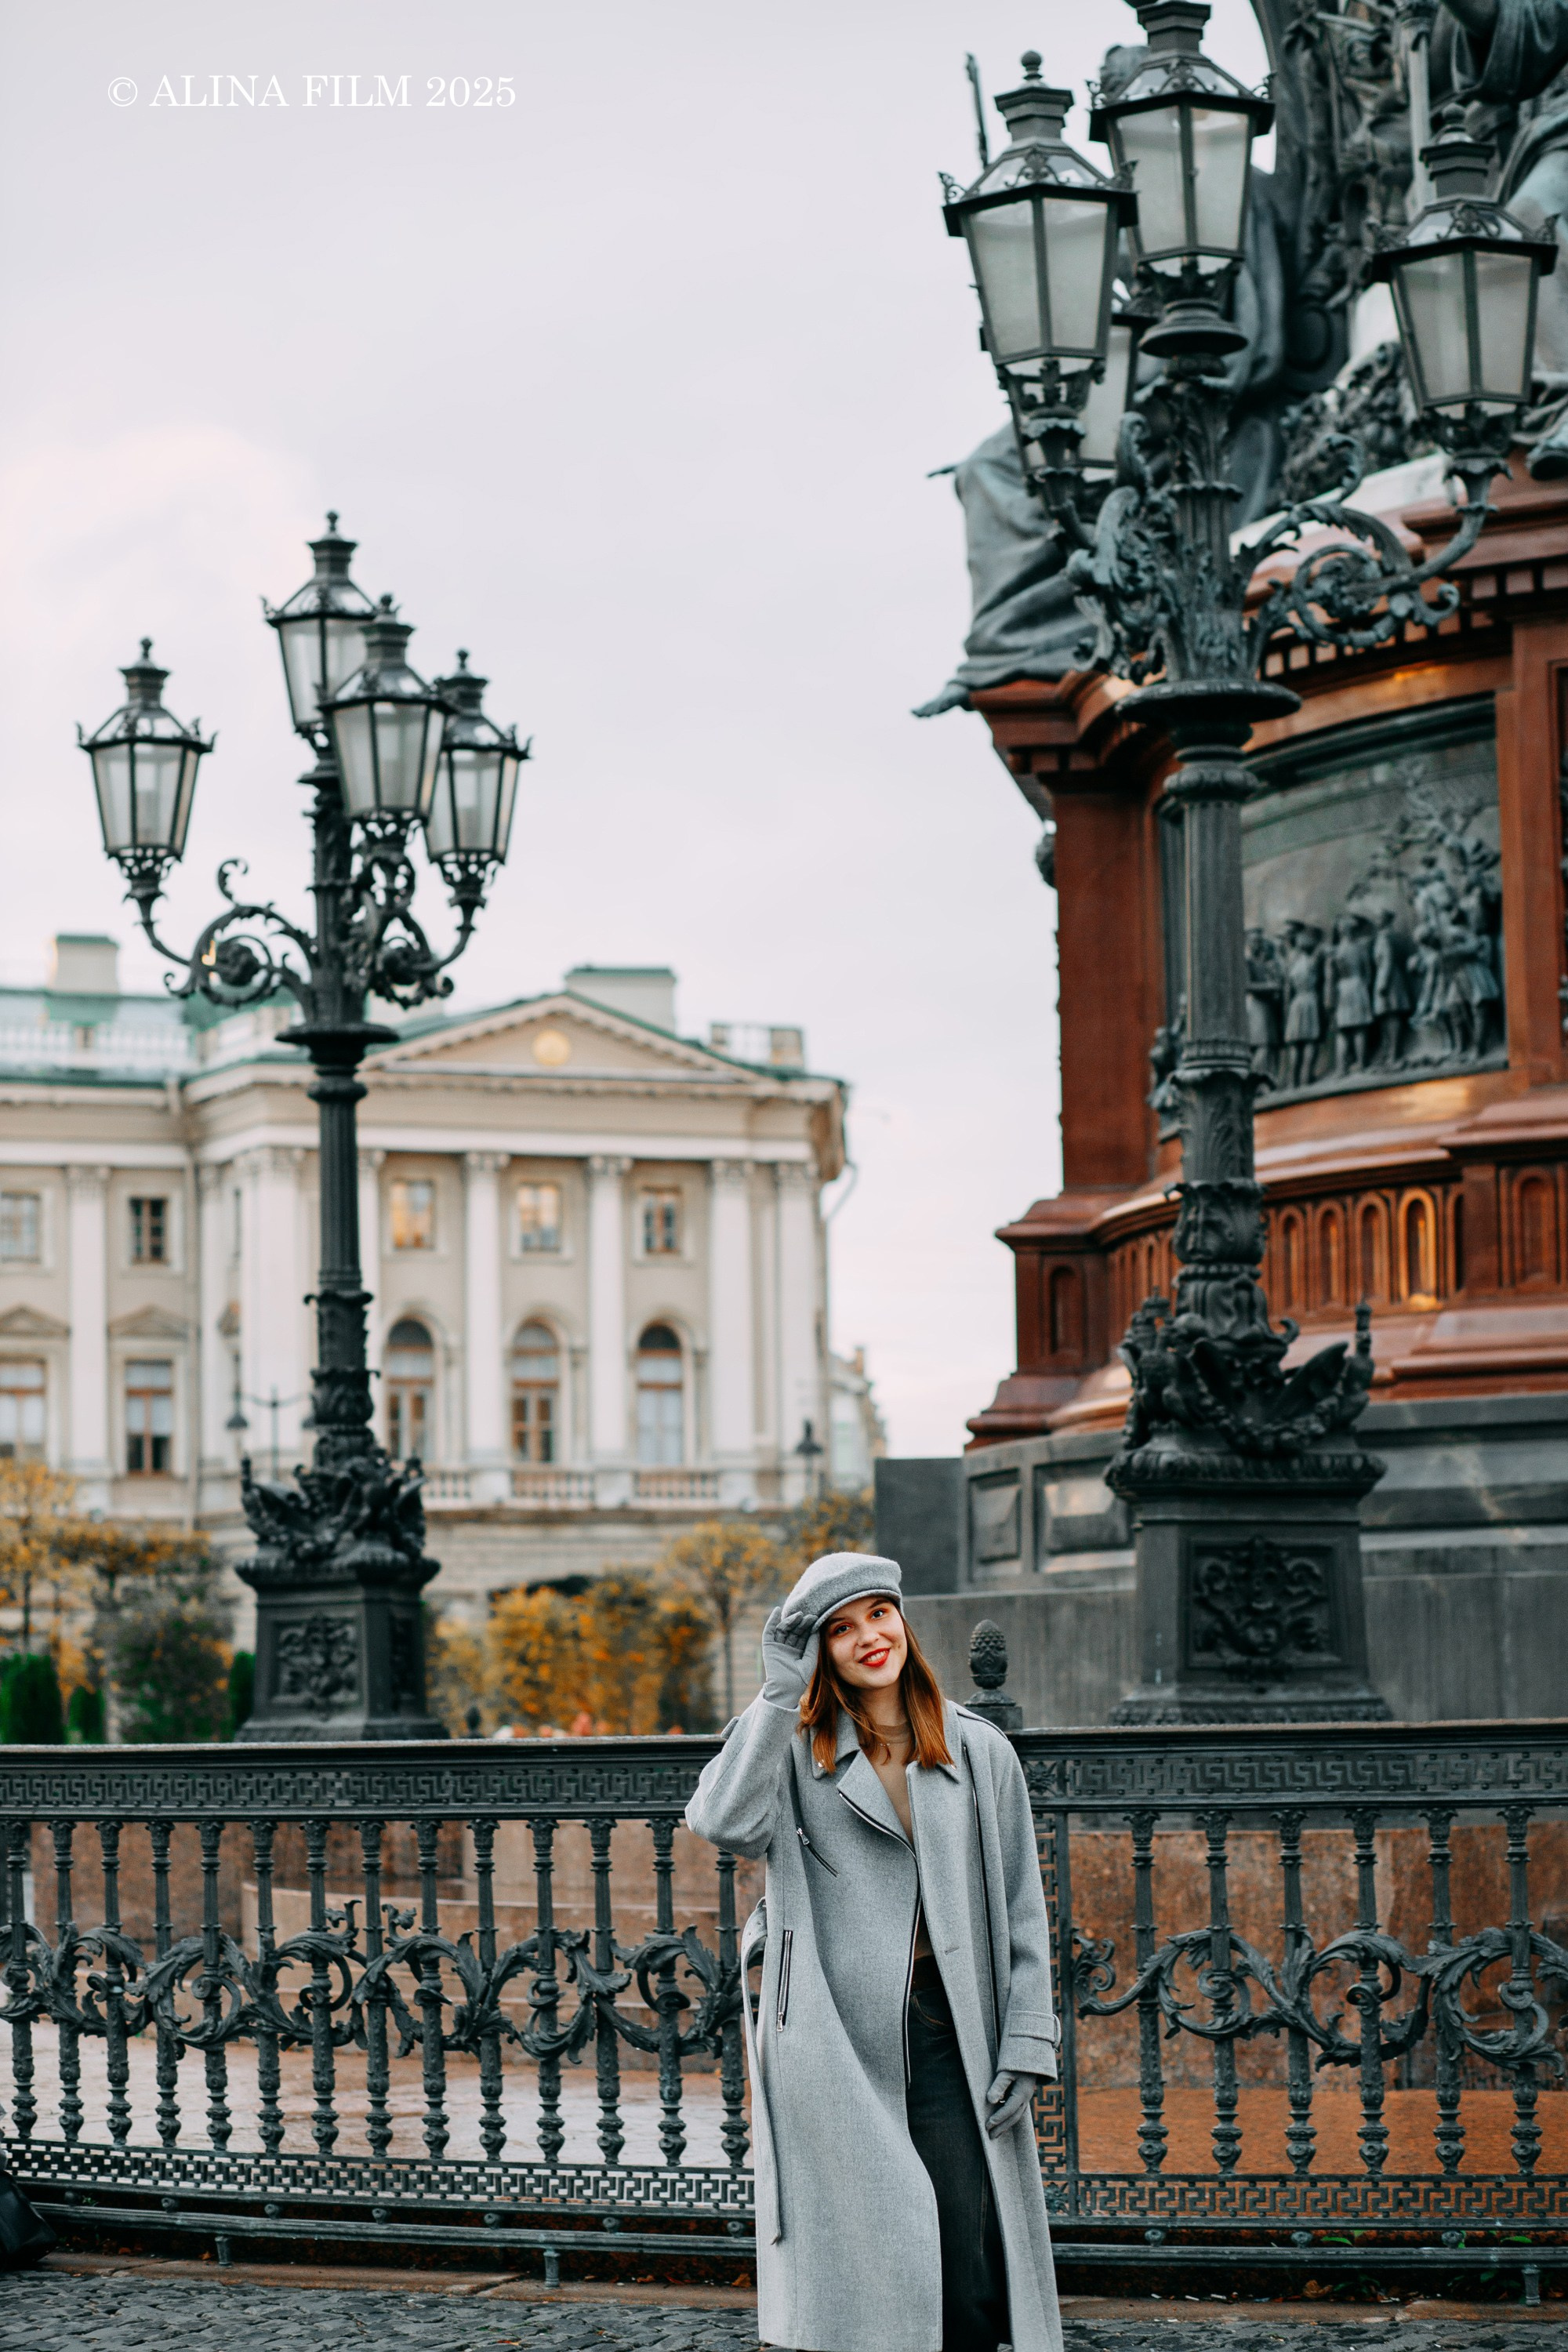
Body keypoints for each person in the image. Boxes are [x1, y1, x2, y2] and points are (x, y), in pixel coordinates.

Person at [685, 1552, 1062, 2352]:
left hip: (950, 2033)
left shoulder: (977, 1749)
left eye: (877, 1615)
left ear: (902, 1619)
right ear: (818, 1649)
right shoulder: (789, 1747)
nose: (867, 1638)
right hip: (831, 2043)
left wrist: (1026, 2040)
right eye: (840, 1628)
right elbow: (720, 1820)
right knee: (862, 2272)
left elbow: (1024, 1909)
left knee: (962, 2258)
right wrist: (779, 1688)